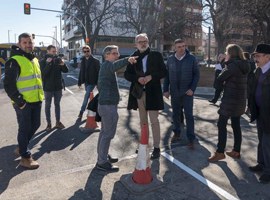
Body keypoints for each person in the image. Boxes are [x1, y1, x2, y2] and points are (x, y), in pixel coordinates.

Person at [4, 33, 44, 169]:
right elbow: (9, 85)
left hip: (36, 100)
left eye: (30, 42)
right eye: (25, 42)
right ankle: (25, 157)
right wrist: (20, 102)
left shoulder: (34, 60)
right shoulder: (14, 60)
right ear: (19, 44)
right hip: (23, 103)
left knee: (36, 124)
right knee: (25, 128)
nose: (28, 45)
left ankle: (21, 147)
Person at [124, 33, 167, 159]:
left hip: (153, 92)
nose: (143, 43)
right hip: (139, 93)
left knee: (154, 121)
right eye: (140, 41)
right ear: (136, 44)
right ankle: (143, 144)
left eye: (145, 41)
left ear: (148, 42)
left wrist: (151, 77)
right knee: (143, 122)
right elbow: (127, 75)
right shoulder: (132, 57)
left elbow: (164, 71)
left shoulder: (156, 55)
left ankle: (157, 147)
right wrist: (138, 78)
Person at [96, 45, 137, 172]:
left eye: (117, 53)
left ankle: (102, 156)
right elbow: (115, 66)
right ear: (106, 55)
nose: (117, 55)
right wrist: (127, 59)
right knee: (107, 134)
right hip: (107, 106)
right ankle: (102, 162)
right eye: (114, 53)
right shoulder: (107, 65)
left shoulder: (106, 67)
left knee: (104, 133)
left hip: (106, 105)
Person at [208, 44, 250, 162]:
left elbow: (218, 82)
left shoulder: (231, 66)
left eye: (226, 52)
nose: (225, 55)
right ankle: (236, 151)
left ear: (231, 54)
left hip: (230, 101)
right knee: (236, 125)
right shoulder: (244, 65)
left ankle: (220, 152)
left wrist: (220, 70)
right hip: (240, 101)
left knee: (221, 125)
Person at [163, 39, 200, 149]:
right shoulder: (170, 60)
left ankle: (191, 138)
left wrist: (192, 89)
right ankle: (177, 133)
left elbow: (196, 75)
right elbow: (167, 76)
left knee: (189, 115)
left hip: (187, 93)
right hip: (174, 92)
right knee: (175, 114)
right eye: (179, 46)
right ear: (175, 48)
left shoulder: (192, 59)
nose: (181, 48)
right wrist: (165, 90)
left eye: (183, 46)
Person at [249, 43, 270, 184]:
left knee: (267, 143)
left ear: (267, 57)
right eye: (255, 56)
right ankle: (261, 164)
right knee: (260, 140)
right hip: (259, 112)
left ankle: (268, 171)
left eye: (258, 56)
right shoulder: (258, 70)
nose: (255, 58)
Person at [39, 45, 69, 131]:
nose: (55, 53)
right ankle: (49, 124)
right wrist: (48, 64)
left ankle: (58, 122)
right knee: (47, 106)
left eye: (55, 51)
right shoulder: (43, 61)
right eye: (53, 51)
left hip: (58, 87)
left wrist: (63, 64)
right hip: (48, 88)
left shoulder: (58, 60)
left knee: (57, 105)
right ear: (48, 51)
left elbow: (66, 71)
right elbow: (43, 75)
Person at [77, 45, 100, 120]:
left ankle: (81, 112)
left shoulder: (95, 61)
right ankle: (92, 112)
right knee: (90, 97)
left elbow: (98, 72)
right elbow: (81, 72)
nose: (86, 52)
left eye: (88, 51)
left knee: (86, 96)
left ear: (90, 51)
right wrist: (79, 82)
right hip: (86, 82)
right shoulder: (83, 60)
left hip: (92, 82)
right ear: (83, 52)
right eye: (84, 51)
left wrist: (98, 83)